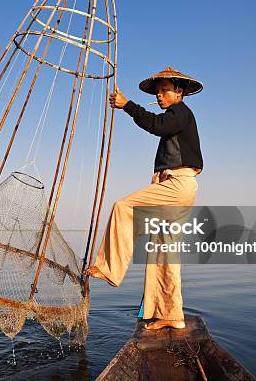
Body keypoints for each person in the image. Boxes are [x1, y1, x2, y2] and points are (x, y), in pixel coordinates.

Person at [85, 66, 203, 330]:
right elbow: (160, 127)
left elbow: (156, 125)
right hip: (176, 186)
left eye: (165, 91)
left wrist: (127, 105)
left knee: (124, 207)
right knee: (164, 253)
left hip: (178, 185)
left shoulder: (180, 112)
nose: (160, 96)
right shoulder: (176, 116)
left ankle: (108, 268)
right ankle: (171, 315)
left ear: (179, 93)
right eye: (158, 92)